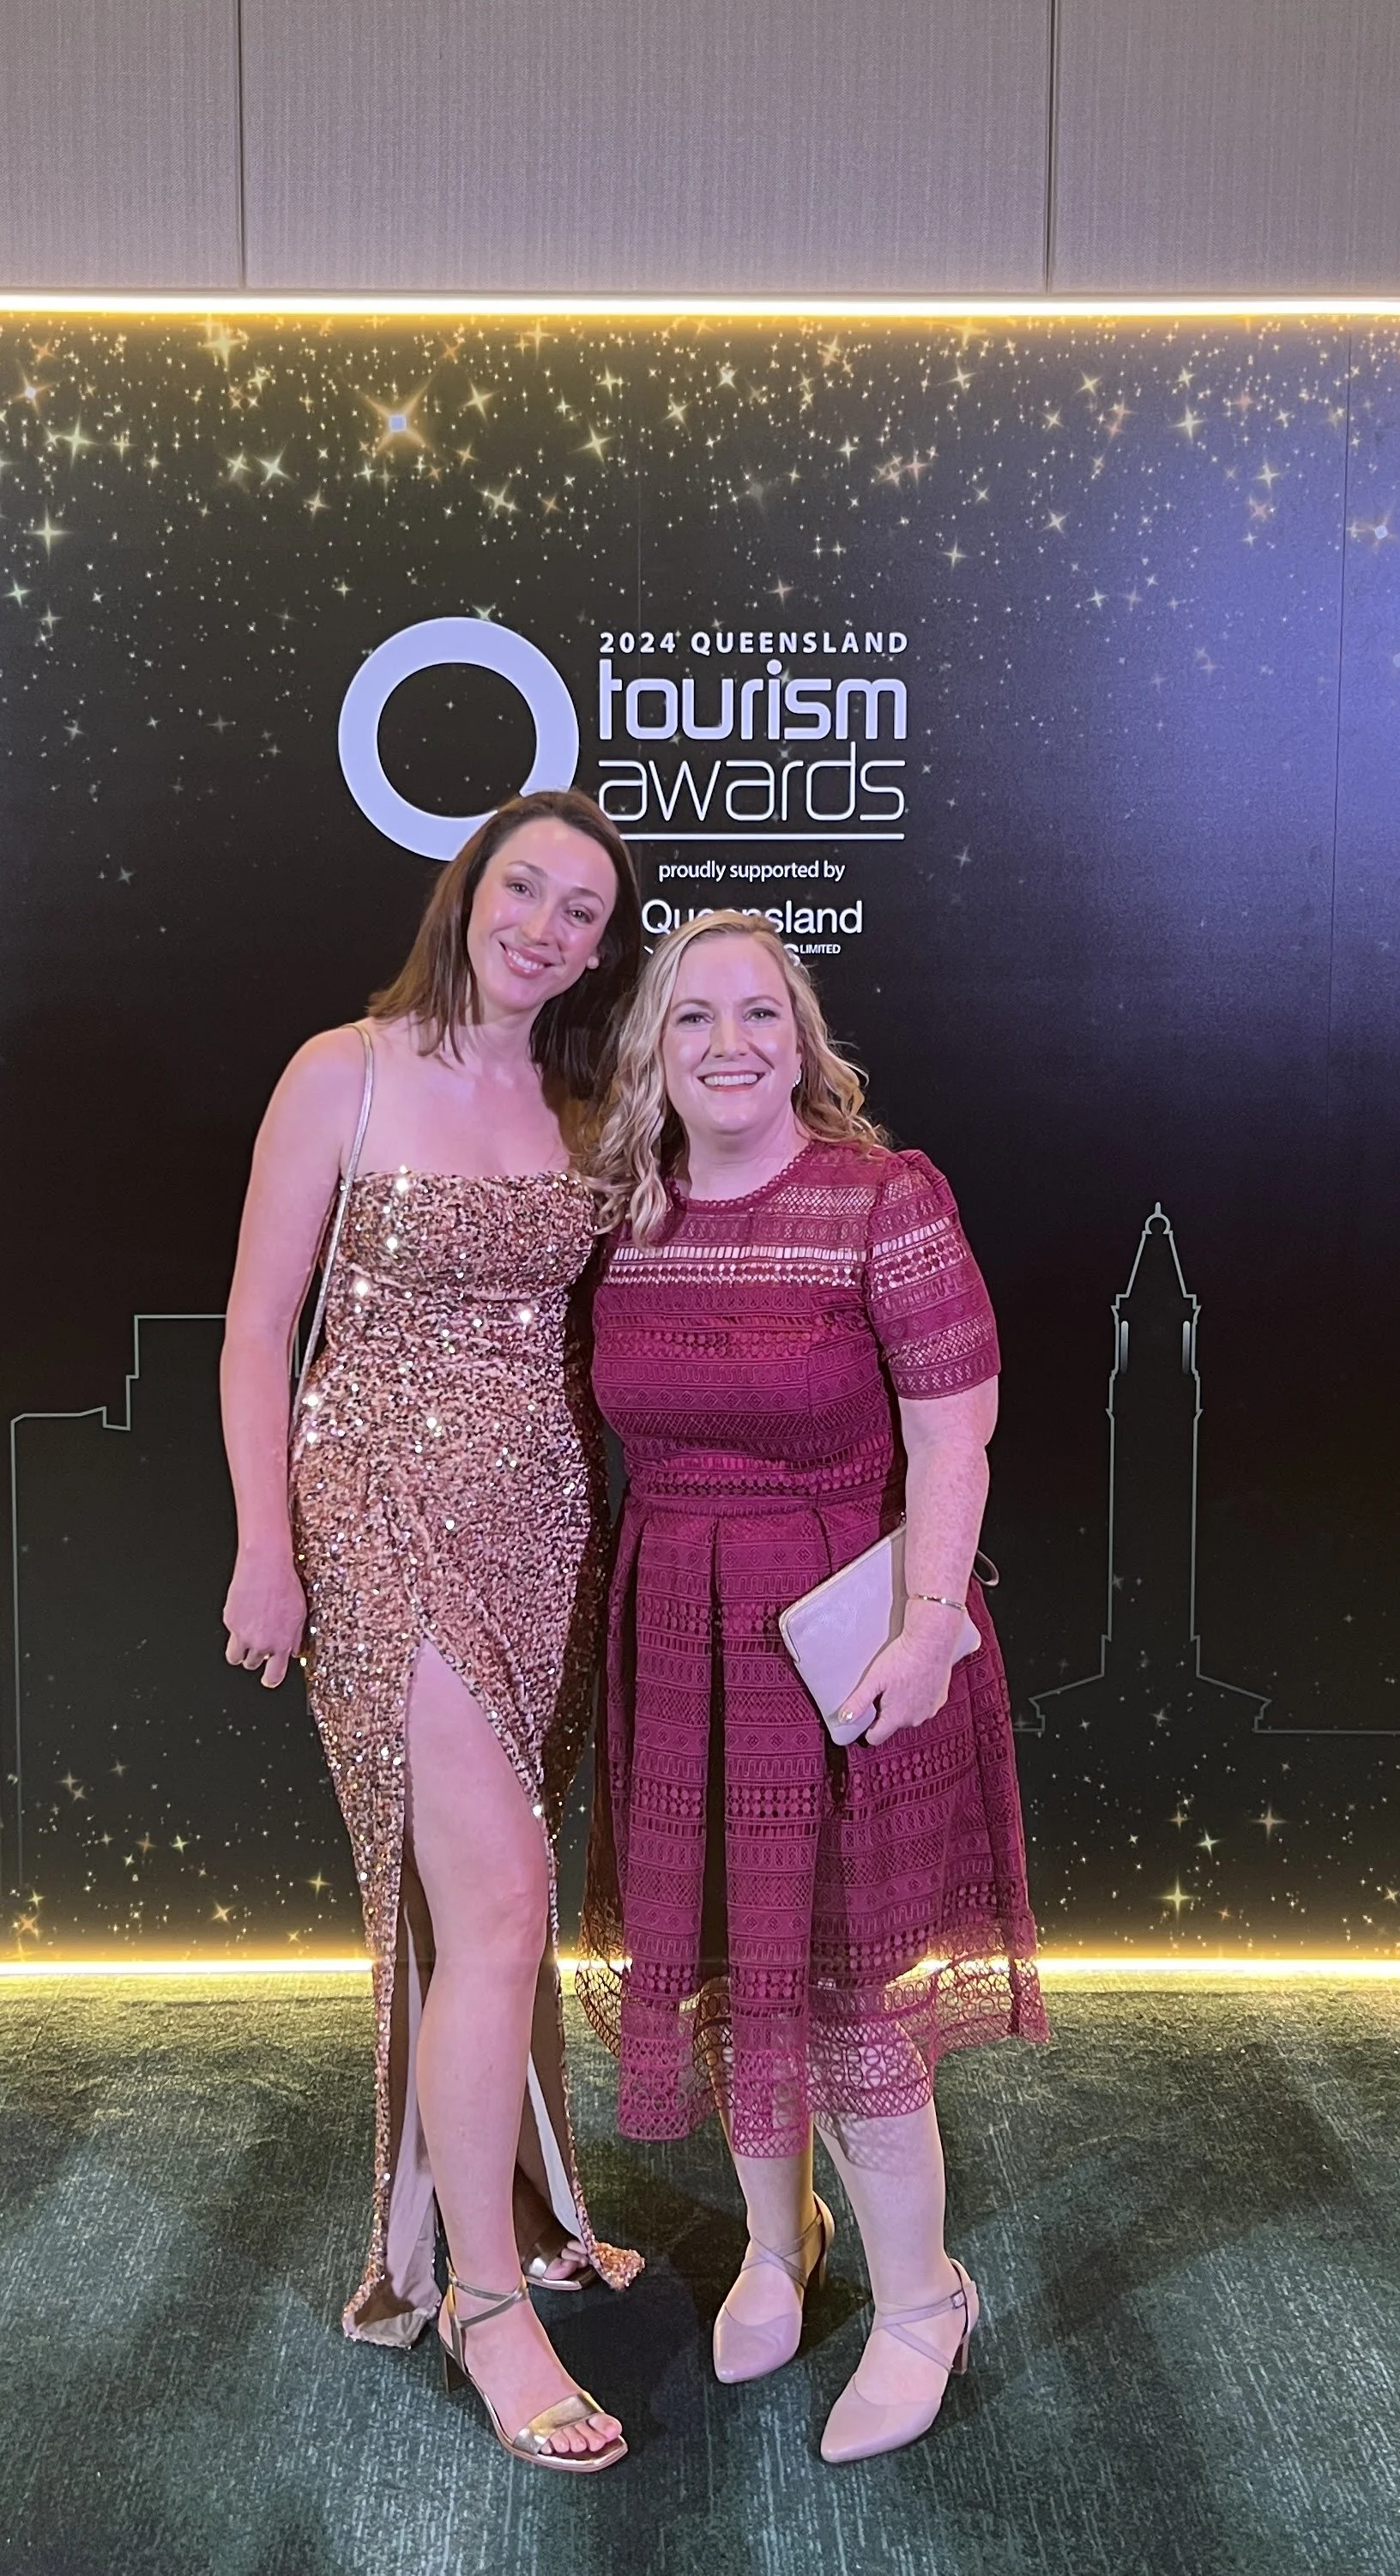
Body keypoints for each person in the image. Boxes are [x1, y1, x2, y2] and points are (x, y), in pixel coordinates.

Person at [579, 910, 1047, 2465]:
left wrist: (925, 1630)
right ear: (653, 1046)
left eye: (760, 1015)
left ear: (802, 1038)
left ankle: (924, 2299)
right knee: (722, 1960)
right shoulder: (625, 1208)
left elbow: (953, 1438)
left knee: (846, 1989)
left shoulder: (880, 1196)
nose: (730, 1043)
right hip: (678, 1633)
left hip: (845, 1637)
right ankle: (780, 2249)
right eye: (695, 1015)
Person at [219, 789, 643, 2474]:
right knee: (502, 1896)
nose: (541, 922)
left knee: (500, 1912)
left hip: (545, 1530)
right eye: (520, 886)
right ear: (468, 894)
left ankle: (521, 2198)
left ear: (603, 948)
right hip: (377, 1519)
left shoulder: (586, 1101)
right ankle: (480, 2299)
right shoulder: (347, 1067)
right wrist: (266, 1547)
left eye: (579, 908)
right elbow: (259, 1329)